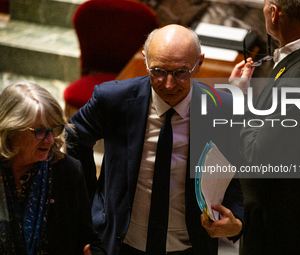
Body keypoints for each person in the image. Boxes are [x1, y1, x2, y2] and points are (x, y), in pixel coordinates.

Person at [66, 24, 244, 255]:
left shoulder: (223, 109)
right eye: (158, 71)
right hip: (121, 244)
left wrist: (236, 221)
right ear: (145, 59)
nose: (168, 84)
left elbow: (238, 171)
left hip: (191, 246)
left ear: (199, 63)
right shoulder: (113, 99)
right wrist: (91, 203)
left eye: (181, 72)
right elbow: (72, 138)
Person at [230, 0, 300, 254]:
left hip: (280, 226)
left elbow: (256, 154)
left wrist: (239, 99)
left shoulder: (296, 83)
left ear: (273, 13)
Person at [0, 81, 106, 255]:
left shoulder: (68, 171)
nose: (50, 140)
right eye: (40, 131)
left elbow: (89, 239)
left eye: (54, 129)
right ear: (11, 130)